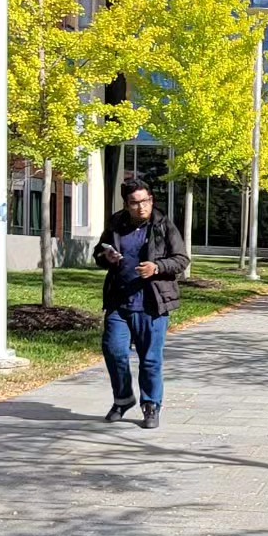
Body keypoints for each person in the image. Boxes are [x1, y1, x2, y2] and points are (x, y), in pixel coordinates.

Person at [93, 176, 189, 429]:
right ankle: (123, 398)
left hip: (153, 303)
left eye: (144, 201)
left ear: (151, 200)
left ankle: (151, 405)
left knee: (150, 359)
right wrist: (107, 257)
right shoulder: (116, 223)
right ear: (126, 204)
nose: (140, 207)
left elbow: (181, 259)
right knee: (114, 351)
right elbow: (98, 254)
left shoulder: (163, 226)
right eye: (134, 203)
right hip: (119, 301)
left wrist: (157, 267)